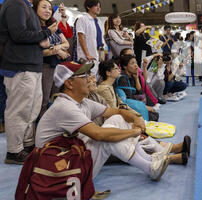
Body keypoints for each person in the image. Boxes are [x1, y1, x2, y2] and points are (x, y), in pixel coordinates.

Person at [36, 61, 170, 180]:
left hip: (72, 156)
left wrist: (136, 118)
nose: (90, 79)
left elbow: (118, 112)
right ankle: (150, 168)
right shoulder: (65, 107)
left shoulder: (82, 102)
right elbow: (98, 134)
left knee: (117, 119)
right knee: (106, 138)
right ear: (69, 83)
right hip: (57, 170)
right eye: (84, 76)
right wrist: (133, 132)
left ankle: (150, 160)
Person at [0, 0, 57, 164]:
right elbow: (19, 35)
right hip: (19, 66)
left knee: (31, 110)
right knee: (19, 110)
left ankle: (26, 145)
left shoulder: (27, 7)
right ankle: (14, 151)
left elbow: (30, 37)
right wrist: (44, 34)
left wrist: (42, 38)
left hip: (32, 66)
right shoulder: (15, 4)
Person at [96, 59, 190, 165]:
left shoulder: (110, 87)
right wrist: (133, 118)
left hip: (117, 120)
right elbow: (114, 110)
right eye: (116, 68)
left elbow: (122, 104)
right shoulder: (103, 89)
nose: (119, 70)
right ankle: (170, 155)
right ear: (108, 73)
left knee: (141, 131)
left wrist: (137, 116)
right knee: (136, 139)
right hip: (111, 126)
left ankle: (171, 149)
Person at [34, 0, 70, 120]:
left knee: (56, 98)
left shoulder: (53, 25)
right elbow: (39, 51)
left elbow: (67, 44)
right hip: (44, 66)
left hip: (57, 66)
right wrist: (57, 50)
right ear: (35, 8)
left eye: (49, 8)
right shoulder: (36, 28)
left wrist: (56, 48)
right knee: (43, 101)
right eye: (44, 7)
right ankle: (40, 130)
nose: (48, 11)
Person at [116, 54, 159, 120]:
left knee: (155, 115)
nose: (136, 65)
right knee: (153, 117)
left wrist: (136, 78)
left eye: (136, 62)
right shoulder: (123, 78)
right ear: (125, 66)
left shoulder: (133, 75)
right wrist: (145, 107)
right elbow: (128, 99)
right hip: (128, 106)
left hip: (136, 103)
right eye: (132, 63)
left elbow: (140, 92)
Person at [75, 0, 104, 75]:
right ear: (88, 7)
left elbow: (101, 39)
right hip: (87, 54)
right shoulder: (82, 19)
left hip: (99, 52)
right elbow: (81, 37)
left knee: (96, 77)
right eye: (96, 6)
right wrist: (87, 53)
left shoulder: (99, 21)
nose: (98, 8)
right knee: (88, 78)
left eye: (99, 6)